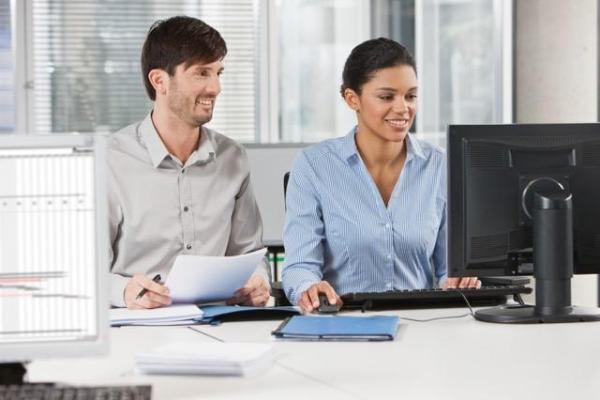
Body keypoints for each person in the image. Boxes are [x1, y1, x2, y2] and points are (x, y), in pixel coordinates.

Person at [281, 38, 480, 313]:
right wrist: (308, 288)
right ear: (352, 99)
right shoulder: (314, 166)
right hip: (344, 322)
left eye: (410, 96)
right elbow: (300, 266)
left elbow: (449, 268)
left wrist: (458, 281)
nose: (402, 108)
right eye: (387, 97)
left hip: (423, 323)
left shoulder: (440, 166)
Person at [107, 16, 270, 309]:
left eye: (218, 73)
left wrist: (257, 281)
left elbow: (249, 254)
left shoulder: (232, 157)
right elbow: (85, 270)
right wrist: (124, 291)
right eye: (201, 74)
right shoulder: (111, 160)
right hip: (139, 323)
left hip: (218, 322)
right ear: (160, 81)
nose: (216, 87)